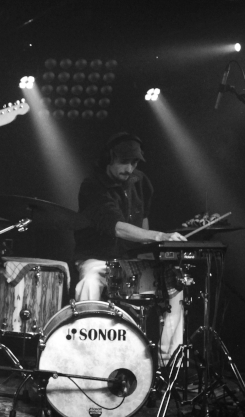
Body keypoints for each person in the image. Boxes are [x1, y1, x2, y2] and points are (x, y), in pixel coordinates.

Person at [73, 132, 186, 367]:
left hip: (129, 260)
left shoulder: (141, 181)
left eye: (134, 162)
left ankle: (169, 363)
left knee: (175, 285)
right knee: (90, 282)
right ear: (109, 158)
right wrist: (159, 236)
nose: (130, 168)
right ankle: (84, 358)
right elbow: (117, 227)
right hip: (97, 259)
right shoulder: (92, 186)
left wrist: (150, 249)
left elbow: (143, 224)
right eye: (124, 162)